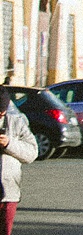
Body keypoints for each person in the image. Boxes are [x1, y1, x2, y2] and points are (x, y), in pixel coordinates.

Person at [0, 88, 37, 235]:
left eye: (1, 112)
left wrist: (9, 144)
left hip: (8, 191)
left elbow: (32, 153)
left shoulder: (16, 123)